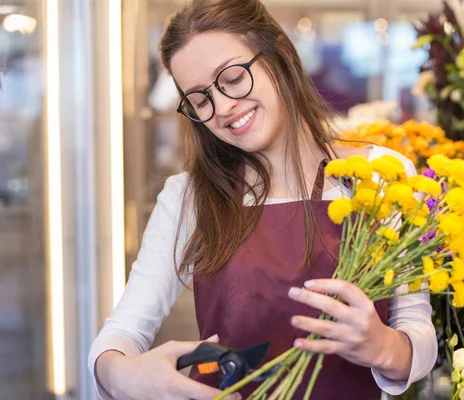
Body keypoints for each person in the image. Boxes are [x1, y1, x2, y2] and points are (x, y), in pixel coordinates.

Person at [88, 1, 437, 399]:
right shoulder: (187, 199)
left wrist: (382, 346)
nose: (222, 108)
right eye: (200, 100)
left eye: (232, 77)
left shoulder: (380, 175)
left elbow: (419, 335)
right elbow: (123, 332)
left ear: (280, 54)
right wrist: (119, 375)